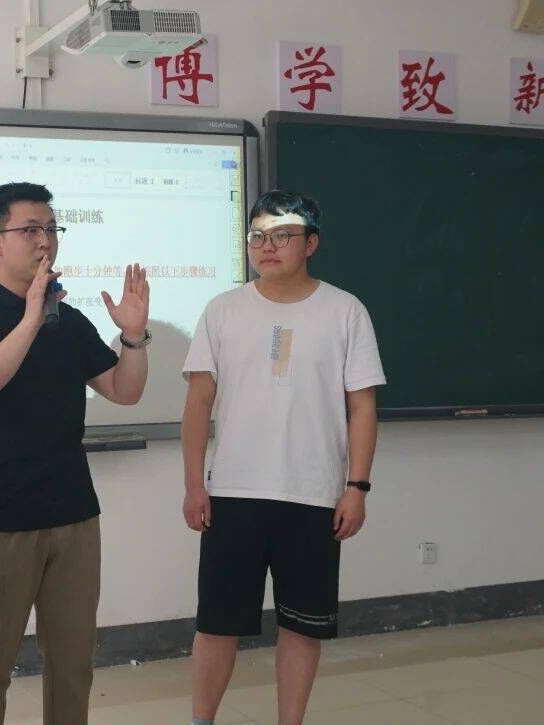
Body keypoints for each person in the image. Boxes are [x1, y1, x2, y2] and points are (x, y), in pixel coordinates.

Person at [0, 182, 150, 724]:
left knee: (73, 666)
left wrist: (134, 337)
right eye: (30, 229)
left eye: (52, 229)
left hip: (73, 516)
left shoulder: (68, 320)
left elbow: (124, 390)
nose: (45, 240)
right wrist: (30, 318)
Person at [180, 190, 385, 725]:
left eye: (282, 235)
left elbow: (362, 406)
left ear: (310, 243)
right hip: (233, 494)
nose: (266, 246)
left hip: (313, 494)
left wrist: (357, 487)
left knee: (301, 627)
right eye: (257, 236)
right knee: (216, 624)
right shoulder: (222, 310)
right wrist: (194, 484)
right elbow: (198, 403)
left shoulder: (345, 311)